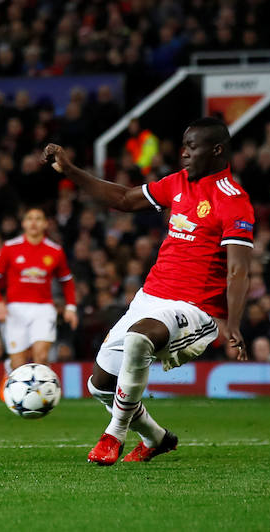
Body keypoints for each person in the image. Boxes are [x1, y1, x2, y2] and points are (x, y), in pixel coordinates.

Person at [43, 116, 253, 465]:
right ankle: (156, 438)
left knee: (140, 339)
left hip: (195, 307)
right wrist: (70, 170)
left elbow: (239, 268)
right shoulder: (178, 183)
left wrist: (233, 322)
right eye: (184, 146)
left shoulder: (233, 200)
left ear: (216, 150)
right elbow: (124, 198)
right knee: (100, 384)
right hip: (150, 297)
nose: (184, 153)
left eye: (192, 147)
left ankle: (114, 435)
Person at [0, 206, 78, 369]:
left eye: (38, 219)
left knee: (41, 357)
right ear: (23, 224)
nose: (34, 222)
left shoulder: (55, 251)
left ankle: (41, 393)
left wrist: (71, 307)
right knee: (18, 365)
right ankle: (12, 371)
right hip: (15, 309)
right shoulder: (10, 247)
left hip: (43, 308)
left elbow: (67, 280)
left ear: (45, 224)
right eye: (30, 218)